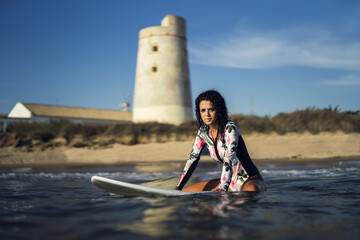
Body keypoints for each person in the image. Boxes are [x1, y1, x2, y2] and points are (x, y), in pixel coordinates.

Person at [175, 90, 266, 192]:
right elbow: (193, 160)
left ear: (219, 110)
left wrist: (222, 189)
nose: (207, 114)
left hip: (250, 181)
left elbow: (229, 159)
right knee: (186, 192)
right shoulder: (203, 132)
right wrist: (179, 187)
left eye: (211, 109)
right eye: (203, 110)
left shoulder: (230, 128)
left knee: (251, 190)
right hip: (229, 181)